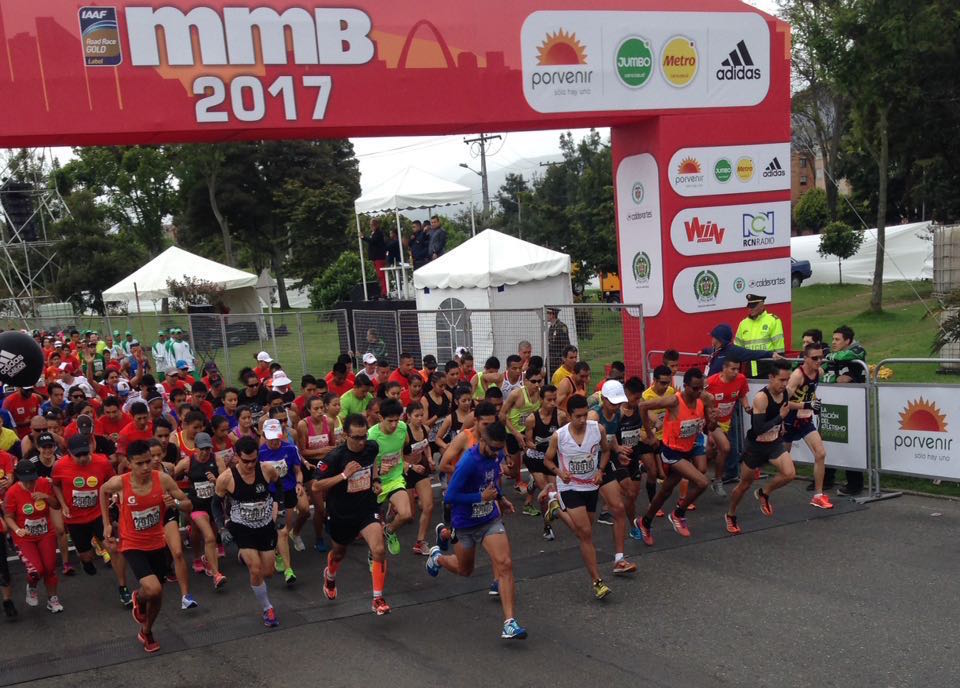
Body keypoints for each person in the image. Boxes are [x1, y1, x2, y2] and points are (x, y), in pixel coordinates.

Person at [426, 421, 527, 640]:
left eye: (499, 449)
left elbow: (492, 481)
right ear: (481, 440)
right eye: (492, 448)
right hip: (465, 524)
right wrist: (479, 498)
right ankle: (438, 557)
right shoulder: (468, 463)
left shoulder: (496, 454)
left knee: (505, 564)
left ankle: (509, 622)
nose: (495, 453)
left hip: (489, 519)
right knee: (465, 570)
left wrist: (501, 497)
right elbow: (451, 497)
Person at [100, 440, 193, 652]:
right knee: (153, 588)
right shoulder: (120, 482)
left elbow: (188, 503)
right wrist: (106, 524)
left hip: (157, 542)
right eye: (139, 463)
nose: (145, 467)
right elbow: (103, 491)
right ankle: (139, 597)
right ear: (129, 463)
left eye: (148, 462)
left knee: (156, 595)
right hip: (132, 543)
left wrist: (176, 504)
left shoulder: (163, 480)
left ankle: (147, 630)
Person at [312, 413, 391, 615]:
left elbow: (373, 466)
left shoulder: (371, 447)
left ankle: (377, 599)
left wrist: (376, 482)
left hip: (366, 508)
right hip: (341, 513)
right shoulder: (335, 457)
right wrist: (343, 475)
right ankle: (329, 576)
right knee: (339, 553)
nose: (361, 441)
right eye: (356, 437)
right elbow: (316, 485)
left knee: (379, 549)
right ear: (346, 435)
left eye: (364, 436)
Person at [542, 395, 615, 599]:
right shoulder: (559, 435)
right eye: (578, 417)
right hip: (569, 487)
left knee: (585, 532)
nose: (583, 420)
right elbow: (547, 461)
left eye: (585, 415)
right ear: (569, 415)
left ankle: (555, 509)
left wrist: (600, 470)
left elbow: (606, 451)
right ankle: (597, 581)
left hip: (591, 486)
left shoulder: (597, 429)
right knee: (585, 534)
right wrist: (559, 472)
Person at [635, 369, 716, 543]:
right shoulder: (674, 400)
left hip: (688, 448)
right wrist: (649, 433)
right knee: (702, 482)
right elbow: (642, 406)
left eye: (701, 388)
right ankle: (678, 514)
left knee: (665, 491)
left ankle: (645, 522)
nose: (698, 392)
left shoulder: (703, 399)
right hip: (671, 451)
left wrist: (712, 413)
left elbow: (709, 427)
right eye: (694, 388)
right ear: (685, 386)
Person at [215, 436, 282, 627]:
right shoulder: (227, 478)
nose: (251, 465)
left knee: (268, 572)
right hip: (241, 527)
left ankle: (244, 556)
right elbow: (215, 504)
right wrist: (221, 527)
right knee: (255, 568)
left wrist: (281, 509)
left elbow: (278, 486)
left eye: (254, 460)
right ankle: (267, 608)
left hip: (265, 525)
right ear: (237, 457)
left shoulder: (267, 469)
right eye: (246, 461)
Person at [725, 360, 797, 534]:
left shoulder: (786, 392)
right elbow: (758, 429)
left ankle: (764, 492)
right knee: (744, 485)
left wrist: (807, 406)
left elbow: (788, 406)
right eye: (781, 380)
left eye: (787, 379)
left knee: (790, 474)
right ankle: (730, 514)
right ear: (771, 378)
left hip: (774, 444)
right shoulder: (761, 398)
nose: (784, 384)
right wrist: (780, 418)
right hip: (755, 447)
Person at [51, 435, 122, 582]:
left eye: (85, 453)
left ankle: (122, 585)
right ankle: (86, 562)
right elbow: (55, 484)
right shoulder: (60, 466)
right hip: (75, 518)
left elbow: (113, 481)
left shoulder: (102, 462)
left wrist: (115, 494)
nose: (83, 458)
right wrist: (63, 505)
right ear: (69, 453)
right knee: (86, 555)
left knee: (113, 548)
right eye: (78, 455)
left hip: (98, 514)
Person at [3, 459, 63, 614]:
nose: (30, 484)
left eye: (32, 480)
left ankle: (52, 599)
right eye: (26, 481)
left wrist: (46, 497)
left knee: (50, 567)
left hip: (45, 533)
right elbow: (8, 516)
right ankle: (32, 585)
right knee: (36, 570)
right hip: (25, 537)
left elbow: (56, 505)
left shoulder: (43, 483)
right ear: (19, 478)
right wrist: (17, 530)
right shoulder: (12, 493)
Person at [174, 432, 227, 588]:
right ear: (195, 448)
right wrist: (178, 496)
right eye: (202, 449)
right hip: (196, 505)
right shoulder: (187, 462)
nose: (205, 452)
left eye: (208, 449)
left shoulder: (216, 459)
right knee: (208, 537)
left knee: (208, 532)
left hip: (214, 505)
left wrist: (216, 480)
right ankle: (215, 574)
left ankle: (202, 558)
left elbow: (225, 481)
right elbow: (170, 478)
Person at [783, 343, 833, 509]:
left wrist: (810, 404)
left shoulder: (819, 372)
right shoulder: (797, 375)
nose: (819, 361)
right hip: (789, 419)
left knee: (820, 453)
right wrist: (806, 404)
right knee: (782, 462)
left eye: (821, 358)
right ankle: (755, 470)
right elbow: (783, 403)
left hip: (805, 420)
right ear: (805, 358)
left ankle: (818, 496)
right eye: (814, 358)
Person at [259, 419, 306, 586]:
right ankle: (288, 570)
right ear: (264, 435)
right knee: (282, 532)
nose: (274, 441)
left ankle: (278, 552)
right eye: (271, 438)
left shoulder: (290, 449)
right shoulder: (260, 453)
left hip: (288, 492)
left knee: (285, 529)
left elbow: (298, 472)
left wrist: (299, 484)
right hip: (271, 495)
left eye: (277, 437)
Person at [822, 325, 867, 496]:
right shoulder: (833, 356)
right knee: (830, 440)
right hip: (834, 405)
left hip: (854, 406)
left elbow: (848, 357)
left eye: (837, 339)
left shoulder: (857, 350)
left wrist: (831, 357)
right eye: (832, 339)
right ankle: (827, 478)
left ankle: (855, 485)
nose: (833, 342)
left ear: (847, 341)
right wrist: (834, 378)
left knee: (853, 443)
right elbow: (823, 374)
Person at [368, 399, 413, 556]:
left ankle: (390, 530)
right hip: (375, 483)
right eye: (390, 421)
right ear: (381, 418)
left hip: (394, 479)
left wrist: (404, 462)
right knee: (373, 531)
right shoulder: (372, 435)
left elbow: (404, 444)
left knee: (406, 514)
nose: (394, 424)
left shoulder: (402, 428)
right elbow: (364, 463)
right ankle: (371, 554)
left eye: (397, 420)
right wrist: (379, 469)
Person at [295, 396, 338, 553]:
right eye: (316, 409)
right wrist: (320, 450)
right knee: (319, 508)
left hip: (327, 466)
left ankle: (328, 523)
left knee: (332, 503)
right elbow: (301, 451)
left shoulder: (330, 422)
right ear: (308, 410)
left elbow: (332, 445)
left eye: (322, 408)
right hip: (310, 468)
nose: (320, 411)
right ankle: (318, 538)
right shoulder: (303, 425)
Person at [523, 383, 565, 540]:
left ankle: (533, 484)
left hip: (551, 458)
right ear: (541, 400)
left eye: (554, 399)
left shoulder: (560, 416)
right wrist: (537, 445)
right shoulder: (531, 419)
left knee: (554, 492)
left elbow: (566, 436)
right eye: (549, 400)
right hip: (535, 458)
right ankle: (547, 527)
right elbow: (527, 442)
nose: (553, 403)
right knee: (548, 494)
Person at [705, 359, 750, 496]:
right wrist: (710, 413)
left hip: (724, 422)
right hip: (707, 421)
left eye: (738, 369)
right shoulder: (711, 382)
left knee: (723, 449)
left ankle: (717, 481)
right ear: (724, 368)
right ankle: (694, 476)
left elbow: (742, 396)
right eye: (733, 369)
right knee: (711, 449)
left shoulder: (741, 379)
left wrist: (747, 407)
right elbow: (699, 399)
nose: (736, 372)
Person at [403, 402, 434, 554]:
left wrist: (429, 458)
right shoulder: (404, 434)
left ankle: (420, 542)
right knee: (409, 515)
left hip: (420, 470)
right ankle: (392, 509)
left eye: (422, 415)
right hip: (406, 472)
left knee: (428, 506)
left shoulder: (425, 429)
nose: (420, 419)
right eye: (416, 416)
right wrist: (410, 466)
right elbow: (395, 457)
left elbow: (427, 445)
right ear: (408, 416)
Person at [734, 294, 785, 377]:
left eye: (753, 306)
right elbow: (737, 350)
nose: (750, 309)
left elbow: (779, 350)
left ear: (761, 305)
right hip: (750, 368)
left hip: (769, 367)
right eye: (749, 306)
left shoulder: (773, 320)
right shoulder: (743, 324)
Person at [703, 324, 776, 376]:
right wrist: (703, 351)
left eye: (713, 337)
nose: (712, 340)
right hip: (710, 388)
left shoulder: (735, 351)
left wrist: (771, 354)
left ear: (720, 340)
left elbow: (753, 353)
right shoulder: (716, 350)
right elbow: (709, 350)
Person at [363, 218, 389, 296]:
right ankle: (383, 290)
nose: (371, 226)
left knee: (382, 275)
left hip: (379, 257)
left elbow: (373, 241)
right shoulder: (374, 233)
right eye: (371, 225)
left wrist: (364, 238)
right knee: (379, 275)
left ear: (376, 225)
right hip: (375, 257)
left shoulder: (379, 233)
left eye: (373, 225)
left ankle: (385, 291)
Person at [547, 309, 572, 377]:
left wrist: (564, 360)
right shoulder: (551, 327)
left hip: (559, 360)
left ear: (552, 315)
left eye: (547, 313)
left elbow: (566, 345)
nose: (546, 315)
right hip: (552, 360)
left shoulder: (561, 326)